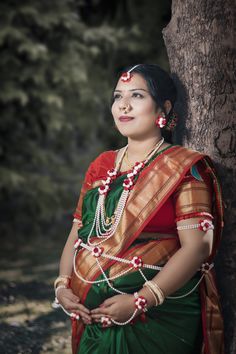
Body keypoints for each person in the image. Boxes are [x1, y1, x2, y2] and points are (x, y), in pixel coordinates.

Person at [54, 64, 225, 354]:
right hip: (93, 316)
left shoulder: (183, 167)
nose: (123, 104)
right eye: (117, 96)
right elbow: (78, 234)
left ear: (163, 108)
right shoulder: (101, 165)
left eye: (136, 95)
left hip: (161, 317)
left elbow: (196, 248)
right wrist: (62, 286)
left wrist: (141, 300)